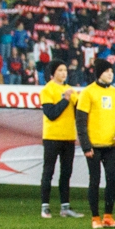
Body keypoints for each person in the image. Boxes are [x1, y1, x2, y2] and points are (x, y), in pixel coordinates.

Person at [75, 62, 115, 229]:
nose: (110, 74)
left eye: (112, 71)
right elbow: (81, 122)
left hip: (110, 145)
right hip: (94, 146)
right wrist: (85, 146)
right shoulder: (88, 92)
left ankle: (108, 216)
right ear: (98, 73)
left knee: (112, 179)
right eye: (106, 71)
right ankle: (95, 217)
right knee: (95, 180)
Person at [39, 61, 82, 219]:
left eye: (65, 70)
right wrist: (65, 100)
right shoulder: (47, 90)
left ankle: (65, 207)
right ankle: (45, 206)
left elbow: (79, 112)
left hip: (68, 137)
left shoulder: (70, 91)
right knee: (48, 171)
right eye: (60, 70)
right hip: (52, 137)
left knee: (66, 173)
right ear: (53, 73)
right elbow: (51, 113)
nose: (64, 73)